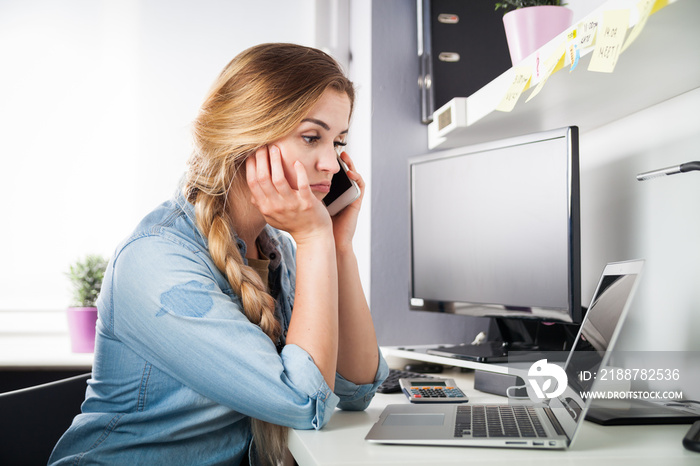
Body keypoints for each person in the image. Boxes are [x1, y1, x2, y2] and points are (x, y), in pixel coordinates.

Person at [49, 43, 388, 466]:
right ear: (248, 137)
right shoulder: (156, 261)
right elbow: (304, 402)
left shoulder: (277, 249)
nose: (333, 165)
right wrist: (315, 239)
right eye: (311, 137)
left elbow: (356, 389)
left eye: (337, 141)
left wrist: (337, 247)